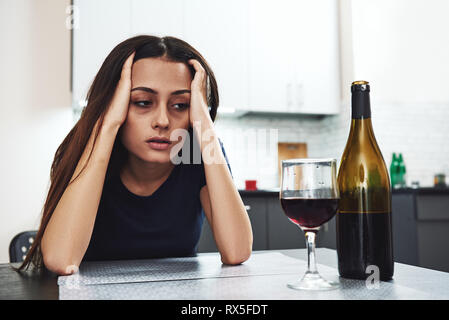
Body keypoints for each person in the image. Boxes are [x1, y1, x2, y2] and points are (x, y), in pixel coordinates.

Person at [17, 35, 253, 275]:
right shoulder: (85, 148)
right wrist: (108, 126)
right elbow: (61, 259)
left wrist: (205, 127)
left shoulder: (198, 151)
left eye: (181, 105)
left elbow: (237, 252)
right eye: (142, 102)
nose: (162, 121)